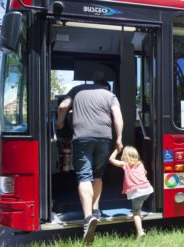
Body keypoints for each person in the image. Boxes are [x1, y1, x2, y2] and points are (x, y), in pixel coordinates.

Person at [57, 80, 123, 244]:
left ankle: (88, 218)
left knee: (85, 176)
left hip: (82, 138)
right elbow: (118, 117)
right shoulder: (110, 95)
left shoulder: (77, 90)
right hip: (104, 138)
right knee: (98, 175)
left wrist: (59, 123)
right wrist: (119, 138)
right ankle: (96, 210)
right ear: (105, 87)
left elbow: (63, 106)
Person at [109, 146, 154, 238]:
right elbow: (145, 173)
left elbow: (111, 159)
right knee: (139, 204)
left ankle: (140, 232)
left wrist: (117, 150)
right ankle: (140, 210)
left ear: (125, 156)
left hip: (137, 192)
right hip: (148, 190)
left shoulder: (125, 164)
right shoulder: (140, 164)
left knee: (136, 212)